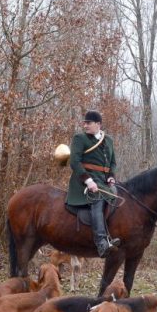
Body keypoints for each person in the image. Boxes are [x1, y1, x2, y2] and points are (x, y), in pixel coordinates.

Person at [66, 110, 121, 258]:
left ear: (98, 124)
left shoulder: (108, 140)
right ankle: (101, 243)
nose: (85, 125)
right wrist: (88, 181)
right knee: (97, 199)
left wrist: (110, 176)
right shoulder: (80, 138)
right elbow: (75, 162)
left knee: (118, 195)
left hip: (103, 182)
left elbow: (112, 163)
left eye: (88, 123)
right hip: (83, 182)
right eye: (84, 123)